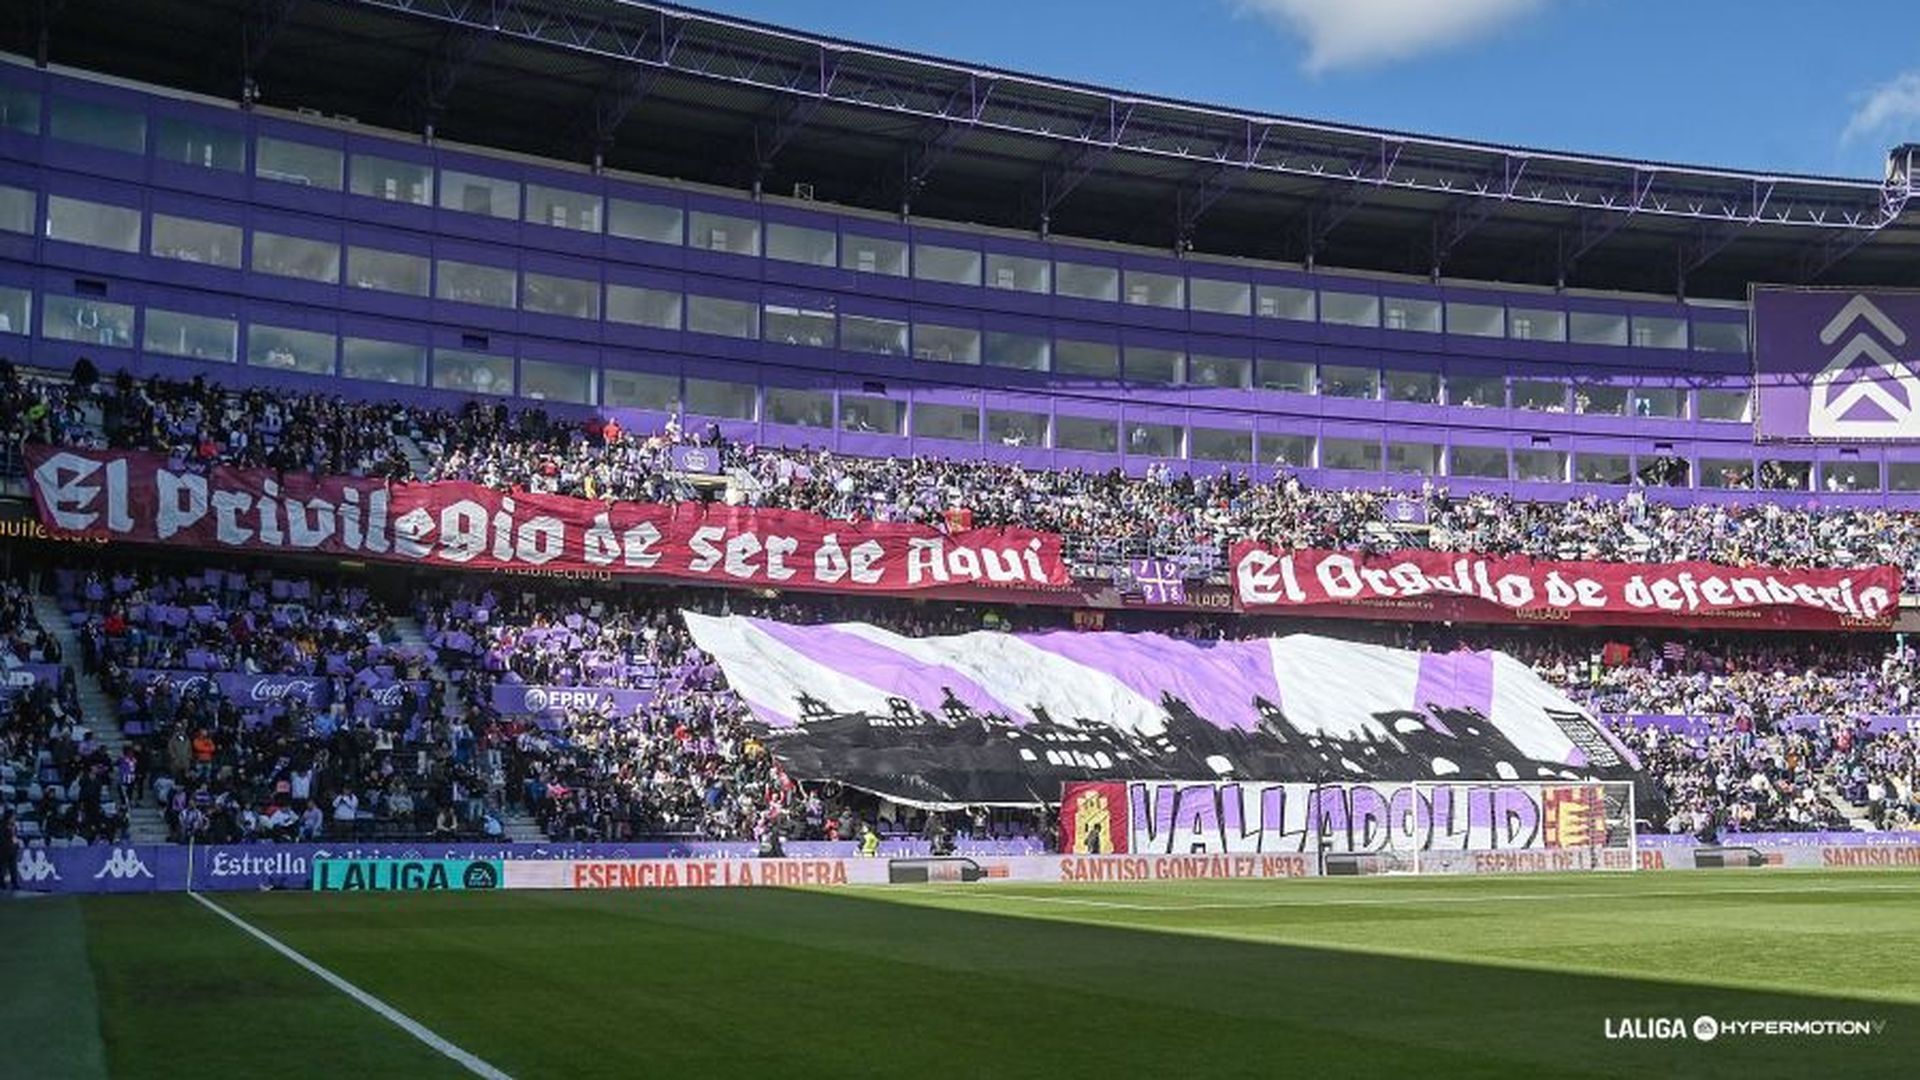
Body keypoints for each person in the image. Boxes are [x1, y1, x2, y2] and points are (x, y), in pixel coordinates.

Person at [0, 810, 19, 892]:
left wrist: (16, 844)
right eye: (13, 816)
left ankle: (15, 884)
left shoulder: (14, 826)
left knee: (13, 868)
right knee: (3, 868)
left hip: (13, 850)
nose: (14, 818)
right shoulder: (2, 826)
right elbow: (1, 838)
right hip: (4, 850)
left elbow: (15, 836)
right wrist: (10, 841)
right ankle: (2, 884)